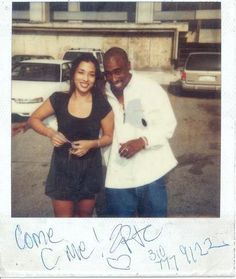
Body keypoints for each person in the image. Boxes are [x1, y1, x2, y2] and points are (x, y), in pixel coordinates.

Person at [28, 53, 114, 217]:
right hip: (62, 170)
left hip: (90, 170)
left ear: (96, 78)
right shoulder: (58, 99)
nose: (85, 78)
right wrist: (50, 133)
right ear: (73, 73)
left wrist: (92, 144)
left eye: (91, 74)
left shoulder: (101, 104)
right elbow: (34, 119)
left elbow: (109, 136)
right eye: (81, 72)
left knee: (83, 223)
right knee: (64, 224)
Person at [102, 47, 177, 217]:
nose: (113, 78)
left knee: (154, 233)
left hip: (151, 174)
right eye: (108, 73)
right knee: (121, 235)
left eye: (118, 71)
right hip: (118, 177)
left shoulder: (149, 88)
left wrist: (142, 141)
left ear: (128, 65)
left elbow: (168, 125)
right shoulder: (102, 92)